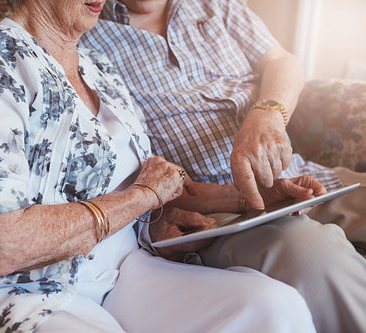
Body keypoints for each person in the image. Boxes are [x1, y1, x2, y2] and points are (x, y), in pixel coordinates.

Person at [0, 0, 327, 332]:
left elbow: (153, 187)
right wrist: (141, 198)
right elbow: (2, 244)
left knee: (272, 308)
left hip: (117, 274)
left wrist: (255, 195)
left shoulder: (103, 69)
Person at [79, 0, 366, 332]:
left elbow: (280, 60)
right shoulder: (84, 30)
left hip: (303, 178)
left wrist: (269, 113)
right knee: (311, 254)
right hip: (221, 216)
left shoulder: (214, 4)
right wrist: (227, 199)